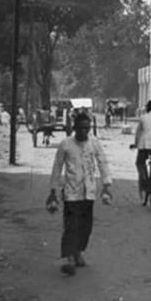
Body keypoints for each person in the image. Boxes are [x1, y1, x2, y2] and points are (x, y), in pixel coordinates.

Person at [46, 112, 112, 276]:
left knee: (85, 227)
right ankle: (68, 258)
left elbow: (102, 163)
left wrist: (106, 185)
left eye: (87, 128)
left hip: (88, 192)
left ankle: (78, 252)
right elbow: (57, 167)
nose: (84, 132)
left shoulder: (94, 144)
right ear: (74, 128)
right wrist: (53, 191)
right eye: (81, 128)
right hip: (71, 193)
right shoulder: (66, 145)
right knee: (71, 226)